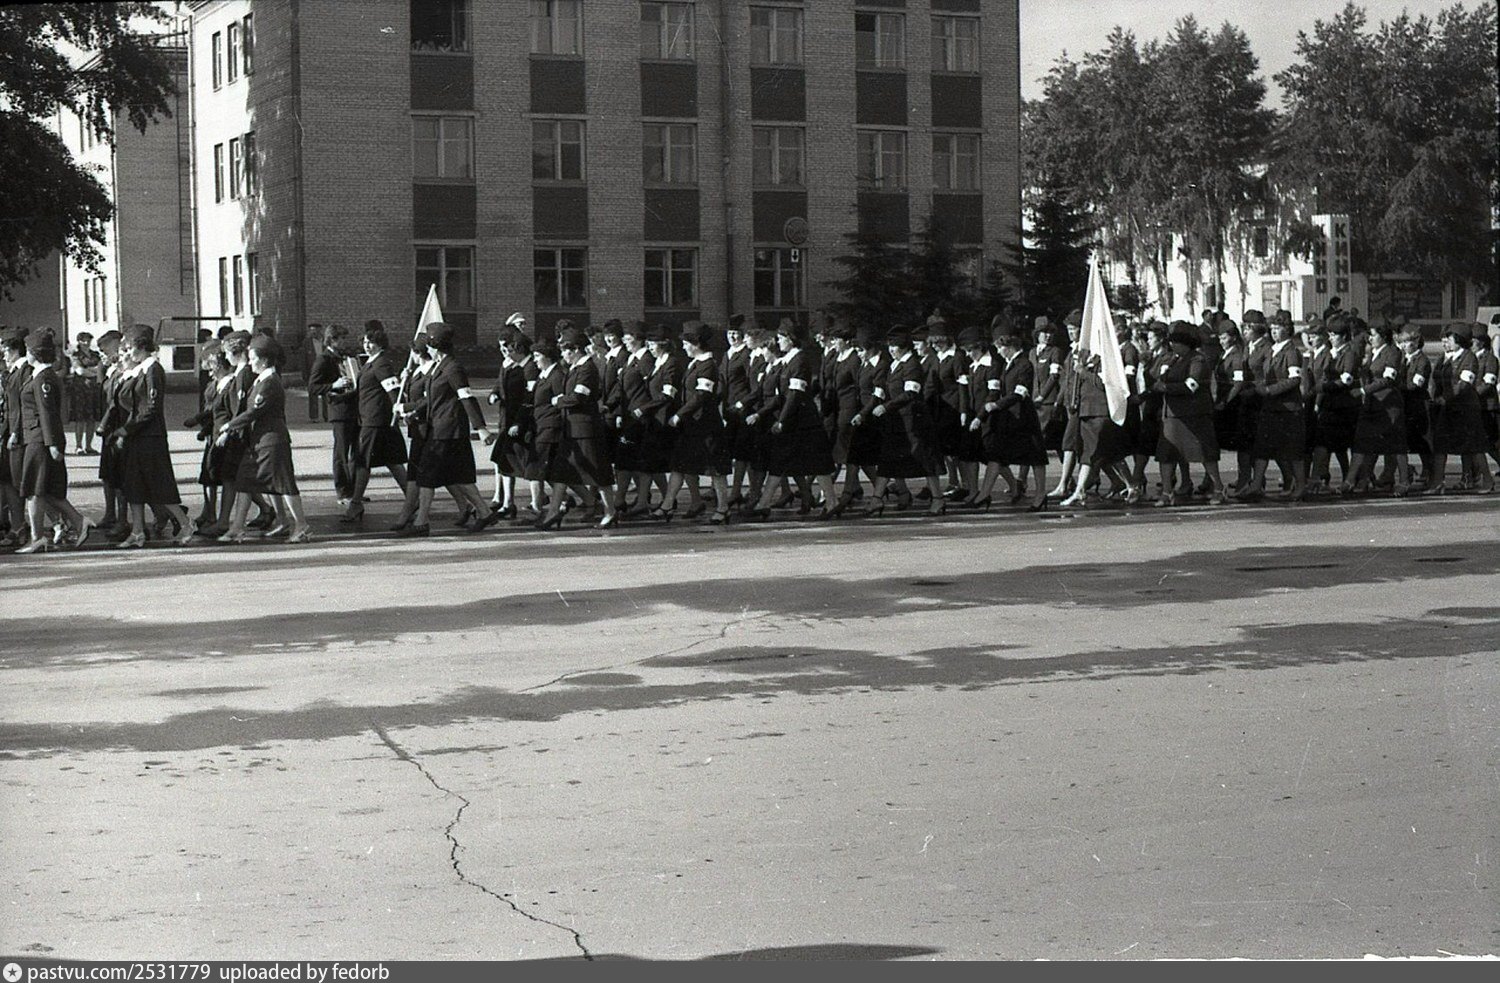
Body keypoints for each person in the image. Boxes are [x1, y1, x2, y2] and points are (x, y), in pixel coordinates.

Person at [215, 333, 313, 543]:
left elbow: (254, 411)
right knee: (244, 482)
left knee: (284, 484)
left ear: (264, 359)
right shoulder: (261, 380)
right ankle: (237, 528)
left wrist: (229, 426)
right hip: (259, 442)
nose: (250, 362)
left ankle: (302, 525)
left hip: (272, 441)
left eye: (253, 358)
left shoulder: (270, 382)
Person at [406, 322, 499, 532]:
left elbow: (466, 397)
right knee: (459, 477)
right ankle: (485, 512)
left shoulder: (452, 368)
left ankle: (421, 522)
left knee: (427, 476)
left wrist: (481, 428)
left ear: (434, 345)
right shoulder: (440, 367)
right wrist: (415, 412)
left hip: (447, 431)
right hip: (441, 429)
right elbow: (433, 400)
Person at [113, 325, 195, 547]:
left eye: (130, 348)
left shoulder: (153, 370)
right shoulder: (140, 370)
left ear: (141, 347)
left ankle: (185, 522)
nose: (128, 352)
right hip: (137, 436)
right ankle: (137, 531)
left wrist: (127, 429)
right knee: (134, 485)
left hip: (151, 437)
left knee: (159, 485)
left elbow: (151, 407)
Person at [14, 331, 95, 553]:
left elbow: (47, 412)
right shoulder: (39, 375)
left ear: (35, 353)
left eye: (28, 350)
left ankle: (37, 537)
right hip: (37, 437)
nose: (27, 354)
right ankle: (79, 521)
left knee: (34, 490)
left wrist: (52, 444)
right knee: (45, 490)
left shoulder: (43, 378)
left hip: (40, 439)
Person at [748, 318, 838, 519]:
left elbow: (795, 394)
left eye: (781, 338)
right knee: (780, 461)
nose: (778, 342)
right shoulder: (788, 361)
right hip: (794, 421)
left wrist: (781, 420)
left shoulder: (799, 361)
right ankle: (764, 503)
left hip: (803, 422)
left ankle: (832, 502)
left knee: (818, 463)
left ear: (790, 339)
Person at [864, 325, 945, 517]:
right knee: (887, 461)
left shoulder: (912, 365)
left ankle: (938, 499)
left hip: (913, 423)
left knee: (925, 461)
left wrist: (886, 407)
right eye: (890, 346)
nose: (891, 350)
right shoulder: (896, 364)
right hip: (897, 423)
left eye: (895, 346)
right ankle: (876, 499)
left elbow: (911, 393)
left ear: (904, 347)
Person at [662, 321, 731, 524]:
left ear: (696, 343)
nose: (683, 347)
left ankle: (723, 508)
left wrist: (679, 414)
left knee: (715, 469)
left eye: (686, 343)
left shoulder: (708, 365)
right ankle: (667, 505)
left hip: (706, 426)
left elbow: (701, 395)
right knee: (680, 465)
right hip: (692, 425)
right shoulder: (695, 363)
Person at [550, 325, 617, 528]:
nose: (563, 355)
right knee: (562, 471)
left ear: (576, 349)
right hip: (572, 428)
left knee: (598, 473)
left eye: (565, 350)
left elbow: (579, 397)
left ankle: (610, 512)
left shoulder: (587, 369)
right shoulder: (576, 368)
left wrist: (558, 401)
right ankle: (553, 512)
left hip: (586, 430)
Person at [344, 320, 410, 523]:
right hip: (375, 419)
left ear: (380, 344)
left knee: (363, 461)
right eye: (365, 342)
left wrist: (401, 411)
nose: (367, 345)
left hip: (375, 421)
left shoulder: (381, 363)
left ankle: (356, 504)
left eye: (371, 342)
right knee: (392, 461)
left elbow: (393, 390)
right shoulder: (372, 362)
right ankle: (412, 499)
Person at [1237, 313, 1307, 501]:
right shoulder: (1272, 350)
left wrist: (1270, 390)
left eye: (1278, 328)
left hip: (1287, 408)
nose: (1274, 332)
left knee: (1292, 450)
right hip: (1270, 408)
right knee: (1262, 447)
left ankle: (1300, 485)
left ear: (1288, 330)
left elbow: (1294, 379)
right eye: (1273, 328)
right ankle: (1255, 485)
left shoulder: (1291, 352)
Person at [1153, 325, 1226, 505]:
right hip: (1173, 415)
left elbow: (1191, 385)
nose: (1172, 345)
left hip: (1194, 415)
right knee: (1167, 454)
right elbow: (1156, 376)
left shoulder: (1197, 360)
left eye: (1175, 342)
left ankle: (1218, 488)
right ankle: (1167, 492)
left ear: (1185, 344)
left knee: (1204, 454)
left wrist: (1167, 387)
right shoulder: (1173, 360)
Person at [1344, 318, 1409, 496]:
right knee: (1362, 443)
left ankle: (1404, 481)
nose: (1370, 339)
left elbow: (1388, 379)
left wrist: (1363, 390)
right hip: (1372, 404)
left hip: (1389, 405)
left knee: (1396, 446)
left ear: (1383, 336)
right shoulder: (1372, 353)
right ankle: (1350, 480)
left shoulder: (1392, 352)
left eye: (1373, 335)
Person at [1428, 323, 1493, 494]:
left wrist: (1445, 398)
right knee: (1440, 444)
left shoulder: (1469, 358)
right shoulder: (1446, 358)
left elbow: (1464, 384)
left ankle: (1487, 480)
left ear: (1459, 340)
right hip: (1448, 408)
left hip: (1466, 409)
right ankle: (1437, 482)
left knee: (1474, 446)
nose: (1446, 342)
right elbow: (1436, 379)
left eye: (1450, 339)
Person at [307, 323, 361, 508]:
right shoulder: (324, 359)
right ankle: (343, 491)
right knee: (341, 453)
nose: (344, 342)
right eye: (341, 339)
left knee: (356, 453)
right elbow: (313, 387)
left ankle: (355, 490)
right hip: (339, 410)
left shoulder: (345, 357)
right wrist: (333, 385)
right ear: (332, 340)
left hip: (353, 408)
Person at [182, 343, 233, 528]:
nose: (210, 373)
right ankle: (209, 511)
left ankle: (218, 517)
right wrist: (204, 430)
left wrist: (197, 419)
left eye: (211, 368)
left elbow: (219, 411)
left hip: (223, 435)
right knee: (209, 475)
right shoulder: (215, 383)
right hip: (213, 433)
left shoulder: (230, 383)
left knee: (227, 477)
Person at [487, 325, 533, 519]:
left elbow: (528, 397)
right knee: (504, 459)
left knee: (528, 463)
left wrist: (519, 422)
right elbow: (499, 384)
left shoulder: (525, 366)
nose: (504, 351)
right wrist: (494, 394)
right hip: (506, 419)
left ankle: (552, 498)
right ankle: (505, 500)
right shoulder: (506, 364)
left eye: (506, 346)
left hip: (519, 421)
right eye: (501, 347)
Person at [67, 332, 103, 455]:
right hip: (80, 390)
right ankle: (78, 446)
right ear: (79, 342)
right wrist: (94, 371)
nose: (86, 343)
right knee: (80, 419)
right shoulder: (76, 355)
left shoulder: (95, 355)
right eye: (83, 340)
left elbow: (101, 369)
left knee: (91, 419)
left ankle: (89, 446)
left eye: (88, 340)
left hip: (93, 390)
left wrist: (90, 370)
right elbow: (80, 371)